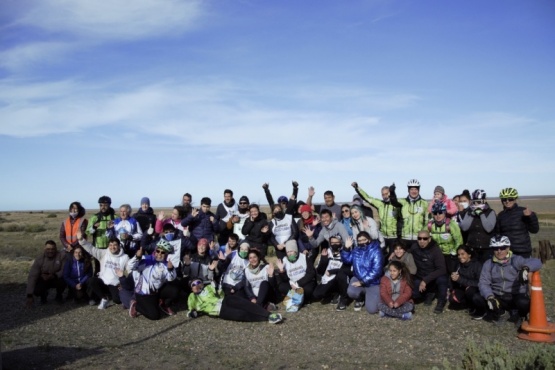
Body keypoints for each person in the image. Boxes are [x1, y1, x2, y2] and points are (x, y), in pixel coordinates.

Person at [475, 235, 542, 325]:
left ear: (508, 248)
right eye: (496, 248)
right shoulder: (488, 263)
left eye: (502, 248)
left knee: (524, 303)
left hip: (515, 295)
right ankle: (500, 312)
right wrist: (489, 296)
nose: (499, 251)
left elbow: (537, 262)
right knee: (477, 297)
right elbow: (483, 282)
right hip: (498, 295)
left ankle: (520, 314)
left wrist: (526, 268)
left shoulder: (516, 259)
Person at [187, 278, 283, 324]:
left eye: (198, 282)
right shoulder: (192, 297)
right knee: (241, 314)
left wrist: (217, 288)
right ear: (191, 289)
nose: (197, 285)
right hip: (218, 310)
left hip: (225, 300)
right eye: (193, 284)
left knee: (245, 304)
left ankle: (268, 314)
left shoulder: (208, 288)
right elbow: (190, 309)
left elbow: (221, 295)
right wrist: (192, 313)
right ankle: (266, 318)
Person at [77, 231, 130, 309]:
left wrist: (123, 283)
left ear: (119, 246)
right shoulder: (104, 253)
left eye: (115, 245)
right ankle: (104, 298)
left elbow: (130, 270)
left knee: (117, 300)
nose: (112, 247)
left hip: (115, 284)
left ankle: (110, 295)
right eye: (110, 245)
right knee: (91, 281)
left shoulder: (125, 257)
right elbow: (91, 249)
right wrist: (81, 240)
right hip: (102, 282)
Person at [127, 240, 179, 319]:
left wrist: (170, 269)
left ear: (166, 254)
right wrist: (137, 257)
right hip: (143, 293)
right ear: (155, 250)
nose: (159, 254)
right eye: (158, 251)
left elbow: (171, 278)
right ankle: (136, 305)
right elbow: (130, 266)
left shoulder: (166, 264)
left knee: (174, 290)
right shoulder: (145, 258)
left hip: (156, 291)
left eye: (162, 252)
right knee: (155, 316)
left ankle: (163, 304)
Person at [352, 182, 400, 254]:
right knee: (381, 256)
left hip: (394, 237)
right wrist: (357, 188)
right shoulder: (380, 204)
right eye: (383, 194)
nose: (385, 196)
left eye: (387, 193)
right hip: (383, 235)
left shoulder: (397, 204)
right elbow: (367, 197)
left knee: (393, 256)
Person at [341, 231, 383, 313]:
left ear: (369, 239)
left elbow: (376, 270)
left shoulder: (376, 250)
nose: (361, 242)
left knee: (372, 310)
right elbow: (347, 260)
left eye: (364, 240)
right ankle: (361, 298)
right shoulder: (356, 250)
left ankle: (371, 296)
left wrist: (362, 282)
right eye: (359, 241)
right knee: (351, 292)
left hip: (373, 282)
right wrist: (346, 248)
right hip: (358, 278)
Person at [410, 230, 448, 314]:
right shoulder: (414, 248)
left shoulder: (435, 250)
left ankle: (441, 301)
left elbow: (442, 269)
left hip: (432, 278)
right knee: (415, 295)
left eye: (425, 238)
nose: (422, 241)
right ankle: (428, 294)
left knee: (443, 279)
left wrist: (426, 280)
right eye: (419, 238)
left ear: (429, 239)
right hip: (419, 277)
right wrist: (395, 253)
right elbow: (406, 254)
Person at [496, 187, 539, 258]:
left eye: (510, 199)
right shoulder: (501, 215)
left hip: (523, 251)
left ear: (515, 199)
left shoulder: (524, 212)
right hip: (507, 251)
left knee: (524, 269)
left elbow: (534, 230)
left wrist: (531, 216)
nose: (507, 201)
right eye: (504, 199)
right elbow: (498, 233)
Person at [313, 235, 352, 311]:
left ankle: (342, 297)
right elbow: (320, 271)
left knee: (341, 276)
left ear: (341, 242)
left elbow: (347, 270)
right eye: (332, 242)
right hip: (327, 279)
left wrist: (332, 271)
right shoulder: (327, 251)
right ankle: (333, 293)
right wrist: (324, 259)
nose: (334, 244)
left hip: (339, 278)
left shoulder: (345, 252)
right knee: (316, 294)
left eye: (336, 242)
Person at [428, 201, 463, 284]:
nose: (438, 215)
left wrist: (454, 252)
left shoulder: (451, 224)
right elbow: (425, 238)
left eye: (440, 212)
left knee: (451, 274)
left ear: (444, 213)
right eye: (435, 213)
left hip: (450, 255)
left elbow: (459, 240)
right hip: (436, 254)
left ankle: (451, 291)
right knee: (437, 274)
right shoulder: (430, 225)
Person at [459, 189, 497, 263]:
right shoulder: (469, 212)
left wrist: (481, 214)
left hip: (486, 248)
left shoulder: (490, 212)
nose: (476, 204)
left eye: (479, 202)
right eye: (474, 202)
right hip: (473, 248)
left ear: (484, 200)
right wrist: (472, 215)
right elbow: (464, 227)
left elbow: (489, 228)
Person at [26, 240, 67, 307]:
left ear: (56, 249)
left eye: (52, 249)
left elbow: (64, 270)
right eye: (48, 249)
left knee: (64, 279)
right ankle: (43, 295)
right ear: (44, 249)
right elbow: (32, 276)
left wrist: (54, 275)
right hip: (43, 279)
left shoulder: (62, 256)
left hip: (55, 277)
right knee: (37, 289)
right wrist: (29, 295)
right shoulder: (39, 259)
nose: (50, 251)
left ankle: (59, 295)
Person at [389, 179, 429, 247]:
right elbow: (394, 202)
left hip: (418, 239)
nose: (414, 191)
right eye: (412, 189)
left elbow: (427, 221)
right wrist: (392, 192)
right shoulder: (403, 202)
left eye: (416, 189)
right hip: (404, 238)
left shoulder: (424, 203)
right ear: (408, 190)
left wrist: (424, 236)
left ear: (419, 190)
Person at [449, 245, 482, 316]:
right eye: (458, 255)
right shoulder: (458, 264)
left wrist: (460, 279)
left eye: (463, 254)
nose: (460, 257)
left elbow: (479, 283)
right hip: (462, 288)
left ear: (469, 254)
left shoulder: (477, 265)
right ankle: (466, 304)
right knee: (452, 299)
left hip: (474, 289)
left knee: (470, 290)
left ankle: (474, 306)